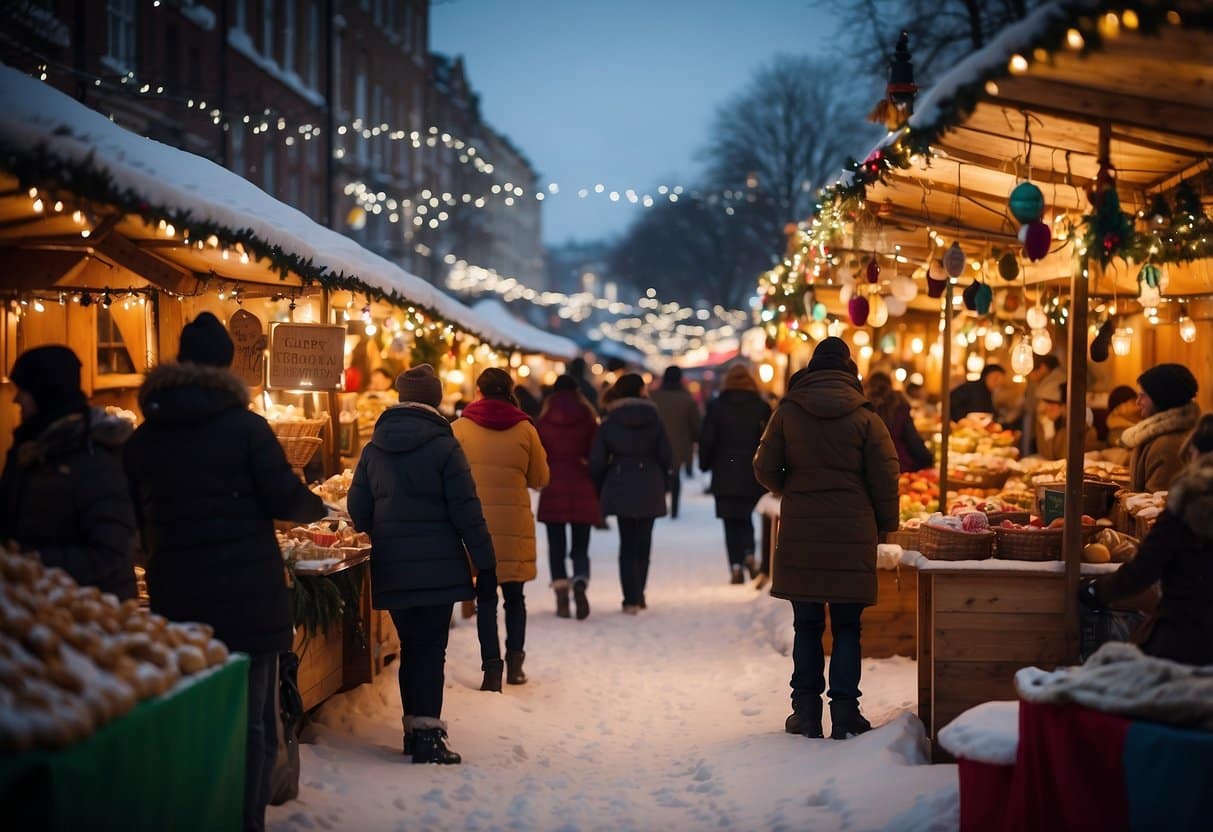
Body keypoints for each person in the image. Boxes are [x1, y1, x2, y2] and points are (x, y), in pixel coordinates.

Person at [124, 313, 326, 829]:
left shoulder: (146, 436)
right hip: (249, 600)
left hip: (177, 596)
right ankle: (244, 820)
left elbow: (128, 516)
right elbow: (285, 497)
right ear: (228, 363)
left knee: (193, 713)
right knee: (255, 721)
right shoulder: (247, 428)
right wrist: (317, 508)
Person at [348, 364, 497, 764]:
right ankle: (427, 736)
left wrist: (384, 530)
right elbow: (467, 511)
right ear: (434, 400)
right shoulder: (445, 446)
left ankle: (414, 731)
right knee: (431, 649)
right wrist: (485, 560)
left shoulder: (374, 448)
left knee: (411, 647)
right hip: (438, 567)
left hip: (393, 565)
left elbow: (356, 509)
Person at [753, 338, 899, 740]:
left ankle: (805, 713)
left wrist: (792, 485)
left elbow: (764, 467)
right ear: (850, 372)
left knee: (807, 625)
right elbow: (886, 476)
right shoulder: (867, 418)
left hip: (802, 528)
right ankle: (846, 714)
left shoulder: (788, 412)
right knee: (849, 627)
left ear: (811, 369)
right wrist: (886, 524)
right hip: (853, 530)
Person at [0, 345, 136, 599]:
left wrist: (31, 561)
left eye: (24, 390)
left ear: (45, 392)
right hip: (37, 604)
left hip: (91, 612)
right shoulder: (29, 450)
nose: (15, 399)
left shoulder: (92, 454)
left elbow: (110, 551)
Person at [1079, 415, 1213, 665]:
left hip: (1184, 639)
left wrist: (1094, 590)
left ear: (1196, 453)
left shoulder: (1186, 506)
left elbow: (1143, 570)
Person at [452, 368, 550, 686]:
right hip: (514, 526)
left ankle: (492, 670)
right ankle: (516, 662)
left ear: (478, 391)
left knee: (485, 600)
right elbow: (540, 478)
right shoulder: (525, 429)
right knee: (515, 598)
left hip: (476, 527)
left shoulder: (461, 429)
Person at [590, 373, 672, 614]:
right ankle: (640, 592)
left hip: (620, 480)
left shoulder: (609, 419)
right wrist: (665, 480)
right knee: (644, 542)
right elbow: (666, 454)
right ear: (639, 390)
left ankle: (630, 598)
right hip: (650, 481)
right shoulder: (654, 418)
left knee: (627, 542)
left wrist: (601, 483)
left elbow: (597, 458)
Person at [536, 375, 600, 620]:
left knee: (556, 545)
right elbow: (596, 453)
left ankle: (561, 593)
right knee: (580, 546)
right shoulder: (587, 416)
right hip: (581, 482)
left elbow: (539, 452)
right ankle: (581, 581)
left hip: (553, 485)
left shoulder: (544, 419)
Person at [699, 365, 771, 584]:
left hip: (724, 469)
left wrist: (705, 463)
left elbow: (707, 439)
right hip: (751, 470)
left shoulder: (716, 406)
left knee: (730, 521)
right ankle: (749, 552)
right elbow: (768, 440)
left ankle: (736, 566)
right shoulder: (761, 406)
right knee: (747, 516)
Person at [1121, 363, 1201, 492]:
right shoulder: (1156, 437)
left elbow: (1156, 505)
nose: (1138, 402)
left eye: (1143, 396)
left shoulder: (1167, 445)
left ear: (1161, 398)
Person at [650, 366, 701, 519]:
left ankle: (656, 505)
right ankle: (674, 510)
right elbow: (695, 426)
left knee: (657, 475)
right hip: (679, 443)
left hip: (655, 443)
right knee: (675, 476)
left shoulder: (653, 397)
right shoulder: (687, 399)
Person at [865, 371, 933, 473]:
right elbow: (913, 441)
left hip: (870, 470)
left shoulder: (863, 409)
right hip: (900, 467)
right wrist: (928, 459)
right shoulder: (899, 408)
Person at [1034, 382, 1098, 461]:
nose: (1047, 409)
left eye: (1052, 404)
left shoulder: (1083, 430)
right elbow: (1046, 455)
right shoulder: (1049, 424)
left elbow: (1061, 458)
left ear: (1065, 406)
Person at [1021, 354, 1064, 456]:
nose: (1029, 375)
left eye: (1030, 371)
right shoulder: (1049, 379)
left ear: (1043, 368)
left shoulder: (1054, 381)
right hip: (1048, 425)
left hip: (1057, 427)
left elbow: (1032, 405)